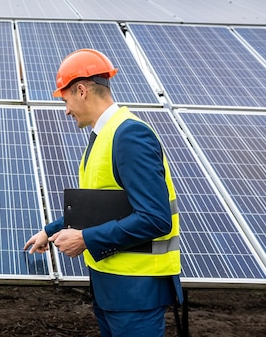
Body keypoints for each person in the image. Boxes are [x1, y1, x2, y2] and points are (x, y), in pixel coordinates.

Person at [24, 49, 182, 337]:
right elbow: (103, 205)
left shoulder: (130, 136)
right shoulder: (104, 136)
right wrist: (52, 230)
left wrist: (85, 238)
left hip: (136, 291)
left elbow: (156, 219)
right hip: (114, 288)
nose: (66, 109)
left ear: (81, 90)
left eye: (66, 98)